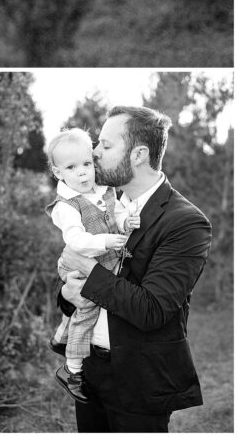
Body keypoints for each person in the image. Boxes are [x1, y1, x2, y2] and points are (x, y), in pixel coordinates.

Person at [58, 105, 212, 433]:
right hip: (89, 372)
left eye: (105, 146)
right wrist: (65, 291)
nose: (94, 153)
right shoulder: (98, 207)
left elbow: (152, 309)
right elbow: (73, 280)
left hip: (140, 381)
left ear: (139, 154)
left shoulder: (186, 223)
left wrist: (84, 266)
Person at [44, 128, 139, 402]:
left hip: (99, 261)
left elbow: (116, 214)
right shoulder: (66, 206)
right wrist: (107, 240)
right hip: (77, 262)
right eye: (72, 167)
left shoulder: (106, 191)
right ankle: (71, 370)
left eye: (87, 164)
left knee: (89, 302)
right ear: (58, 172)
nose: (83, 172)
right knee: (87, 306)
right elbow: (75, 240)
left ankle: (62, 334)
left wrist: (124, 223)